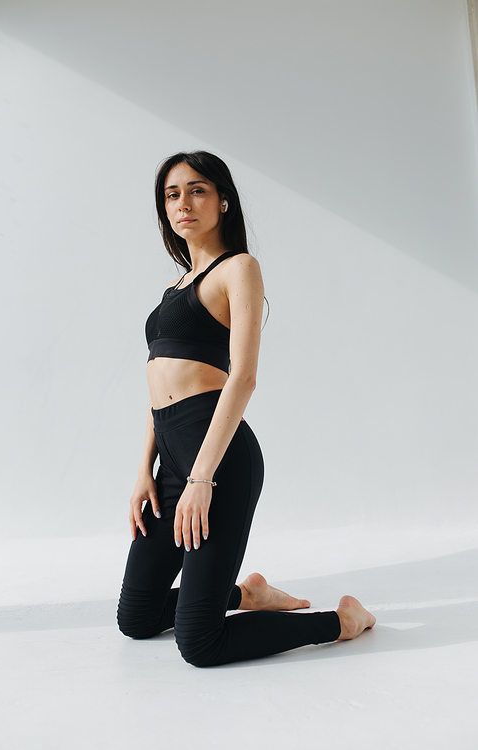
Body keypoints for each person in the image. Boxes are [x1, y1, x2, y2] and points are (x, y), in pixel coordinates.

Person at [117, 151, 375, 667]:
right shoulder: (172, 288)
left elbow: (244, 376)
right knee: (137, 618)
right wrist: (145, 469)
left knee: (200, 644)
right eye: (172, 194)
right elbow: (158, 388)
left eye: (197, 190)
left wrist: (201, 479)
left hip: (220, 463)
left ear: (223, 202)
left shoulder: (239, 269)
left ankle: (344, 622)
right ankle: (247, 594)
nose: (183, 203)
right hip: (173, 464)